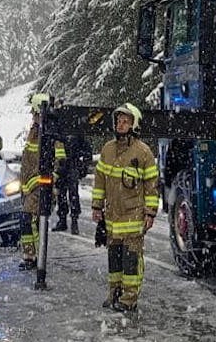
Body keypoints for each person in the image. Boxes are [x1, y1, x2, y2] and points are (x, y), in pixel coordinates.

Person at [92, 102, 158, 313]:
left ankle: (129, 298)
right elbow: (100, 181)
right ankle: (114, 293)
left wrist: (150, 213)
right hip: (112, 217)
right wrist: (96, 207)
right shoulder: (108, 149)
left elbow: (151, 186)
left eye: (125, 121)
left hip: (133, 216)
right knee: (114, 259)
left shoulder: (143, 152)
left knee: (131, 260)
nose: (120, 125)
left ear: (133, 125)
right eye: (119, 121)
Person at [17, 92, 67, 270]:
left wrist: (52, 181)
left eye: (36, 113)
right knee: (27, 221)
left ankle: (37, 258)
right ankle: (31, 255)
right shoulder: (35, 131)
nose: (34, 116)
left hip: (41, 186)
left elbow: (60, 162)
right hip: (30, 187)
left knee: (33, 221)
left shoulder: (51, 131)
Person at [53, 132, 89, 234]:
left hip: (72, 167)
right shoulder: (60, 131)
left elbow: (86, 150)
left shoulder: (77, 133)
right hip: (62, 168)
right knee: (62, 195)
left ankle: (73, 221)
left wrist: (82, 166)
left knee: (72, 195)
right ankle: (63, 220)